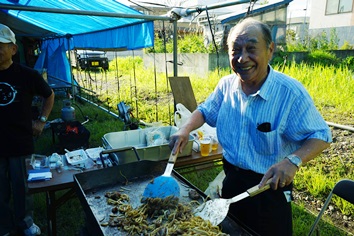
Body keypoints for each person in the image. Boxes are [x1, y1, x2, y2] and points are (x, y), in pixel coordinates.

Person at [169, 18, 332, 236]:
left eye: (251, 49)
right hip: (231, 182)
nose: (242, 58)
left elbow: (321, 134)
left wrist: (293, 160)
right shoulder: (226, 85)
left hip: (268, 189)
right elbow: (205, 111)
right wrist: (184, 130)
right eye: (235, 50)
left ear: (270, 50)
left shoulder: (289, 92)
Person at [0, 24, 55, 236]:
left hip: (20, 141)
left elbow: (48, 95)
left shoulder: (27, 75)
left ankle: (25, 223)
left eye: (0, 46)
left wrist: (41, 121)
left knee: (22, 187)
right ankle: (4, 227)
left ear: (13, 49)